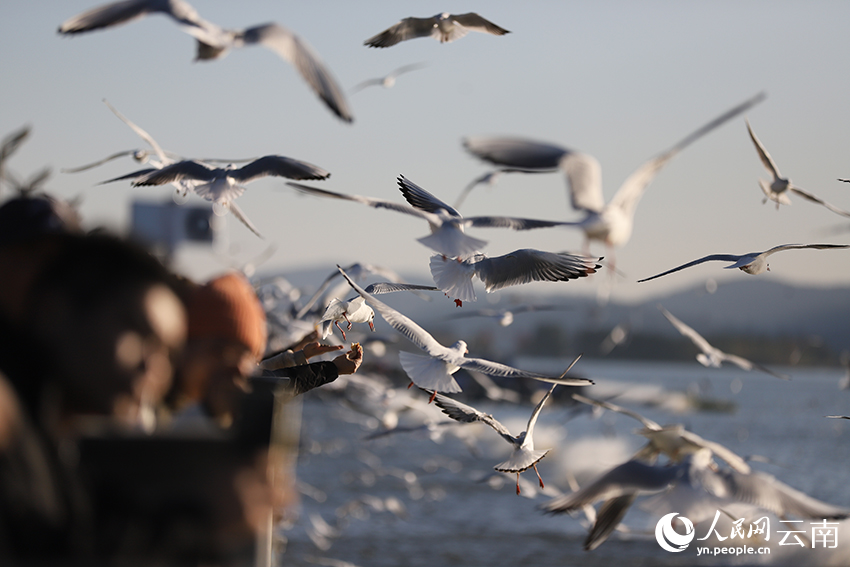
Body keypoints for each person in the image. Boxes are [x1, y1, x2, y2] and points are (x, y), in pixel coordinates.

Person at [168, 271, 362, 429]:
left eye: (244, 357)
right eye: (220, 352)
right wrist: (329, 369)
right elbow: (270, 383)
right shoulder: (161, 421)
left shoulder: (216, 405)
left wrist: (303, 356)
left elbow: (268, 379)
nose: (237, 370)